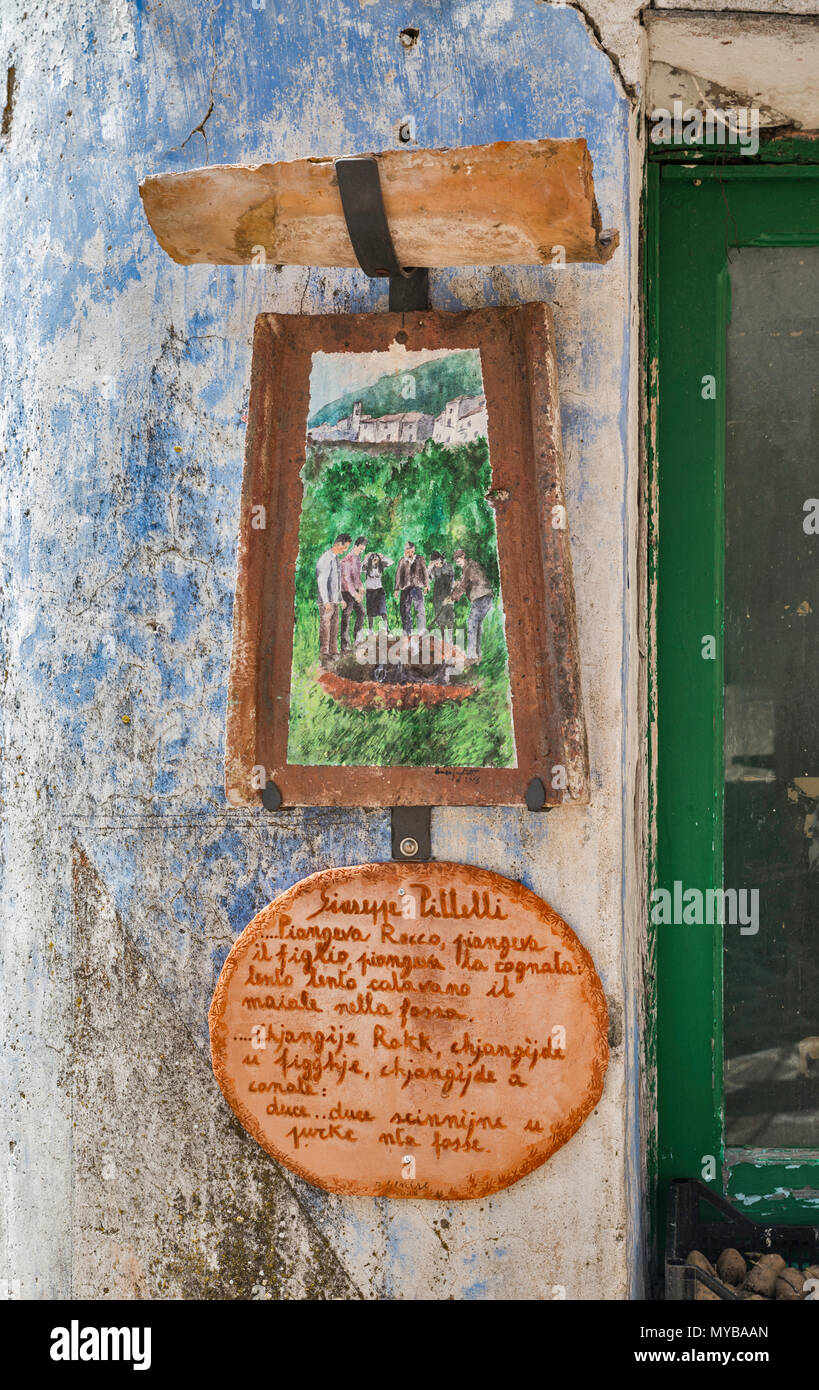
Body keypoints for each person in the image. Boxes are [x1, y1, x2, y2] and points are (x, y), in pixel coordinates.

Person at [451, 547, 493, 663]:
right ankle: (477, 655)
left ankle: (471, 657)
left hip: (480, 597)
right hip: (487, 596)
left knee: (471, 623)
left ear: (463, 556)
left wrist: (452, 598)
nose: (457, 562)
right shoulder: (471, 566)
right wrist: (459, 585)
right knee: (477, 625)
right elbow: (467, 581)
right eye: (456, 560)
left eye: (458, 559)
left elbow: (464, 585)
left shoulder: (468, 567)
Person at [315, 533, 351, 667]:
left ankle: (333, 653)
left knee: (334, 627)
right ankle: (324, 656)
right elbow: (322, 581)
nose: (345, 550)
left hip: (335, 600)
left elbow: (337, 582)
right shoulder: (326, 558)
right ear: (338, 544)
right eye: (344, 547)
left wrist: (341, 599)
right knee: (326, 627)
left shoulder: (336, 559)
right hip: (327, 602)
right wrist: (325, 601)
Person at [394, 541, 428, 635]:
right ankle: (407, 632)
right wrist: (396, 589)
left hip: (417, 587)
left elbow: (425, 572)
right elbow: (398, 575)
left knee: (420, 609)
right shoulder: (402, 561)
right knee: (405, 610)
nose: (410, 554)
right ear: (405, 551)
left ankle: (421, 632)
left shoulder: (420, 559)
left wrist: (426, 585)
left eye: (412, 552)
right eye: (408, 552)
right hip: (405, 588)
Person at [340, 536, 367, 652]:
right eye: (360, 549)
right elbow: (348, 581)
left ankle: (357, 639)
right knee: (347, 616)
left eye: (363, 550)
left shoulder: (357, 559)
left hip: (354, 591)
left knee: (361, 613)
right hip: (346, 592)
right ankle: (345, 646)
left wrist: (360, 586)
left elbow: (356, 577)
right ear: (355, 546)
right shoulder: (346, 561)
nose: (361, 551)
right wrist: (355, 595)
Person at [361, 548, 393, 632]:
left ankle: (387, 629)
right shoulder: (367, 567)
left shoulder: (381, 566)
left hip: (379, 591)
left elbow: (391, 562)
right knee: (370, 613)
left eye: (376, 559)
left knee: (383, 611)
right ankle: (370, 630)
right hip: (370, 592)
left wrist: (382, 557)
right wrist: (365, 559)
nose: (375, 561)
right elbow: (359, 568)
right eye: (373, 559)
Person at [427, 551, 455, 638]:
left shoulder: (449, 567)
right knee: (440, 617)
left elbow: (453, 582)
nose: (435, 563)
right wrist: (429, 569)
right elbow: (429, 579)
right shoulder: (434, 569)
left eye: (436, 561)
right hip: (438, 594)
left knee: (449, 617)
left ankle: (450, 640)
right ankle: (443, 640)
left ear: (440, 559)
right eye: (433, 562)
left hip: (448, 593)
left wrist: (450, 596)